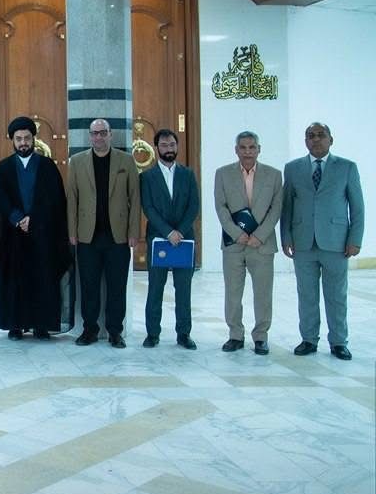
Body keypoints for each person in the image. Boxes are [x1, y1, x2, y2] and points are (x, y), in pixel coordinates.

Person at [281, 122, 364, 361]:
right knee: (306, 295)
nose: (316, 139)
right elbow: (287, 206)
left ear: (330, 139)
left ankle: (339, 342)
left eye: (321, 135)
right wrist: (286, 236)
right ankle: (309, 339)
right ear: (305, 141)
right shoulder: (293, 168)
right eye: (311, 136)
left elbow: (357, 208)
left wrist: (355, 239)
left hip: (336, 243)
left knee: (336, 295)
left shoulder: (347, 167)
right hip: (303, 242)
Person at [0, 116, 72, 340]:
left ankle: (41, 325)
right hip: (13, 235)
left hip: (43, 235)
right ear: (13, 141)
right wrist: (18, 219)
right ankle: (15, 325)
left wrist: (34, 219)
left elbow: (55, 200)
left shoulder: (47, 166)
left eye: (27, 138)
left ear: (34, 139)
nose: (23, 143)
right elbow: (1, 199)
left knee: (43, 279)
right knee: (14, 280)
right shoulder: (4, 168)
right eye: (19, 139)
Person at [65, 118, 140, 349]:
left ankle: (115, 331)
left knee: (117, 286)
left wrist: (134, 231)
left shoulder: (126, 161)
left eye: (103, 133)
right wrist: (72, 231)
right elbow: (72, 199)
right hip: (87, 236)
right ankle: (89, 330)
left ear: (110, 134)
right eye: (94, 133)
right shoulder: (77, 162)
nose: (98, 137)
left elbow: (135, 198)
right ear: (90, 136)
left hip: (118, 236)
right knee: (89, 286)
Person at [214, 130, 282, 355]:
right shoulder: (222, 174)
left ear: (259, 149)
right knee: (233, 293)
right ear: (236, 150)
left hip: (262, 245)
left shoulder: (274, 175)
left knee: (263, 294)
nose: (247, 152)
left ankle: (261, 337)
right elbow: (221, 207)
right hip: (233, 244)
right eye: (243, 148)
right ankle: (235, 335)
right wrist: (236, 234)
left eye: (252, 147)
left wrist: (259, 235)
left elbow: (276, 209)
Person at [139, 128, 200, 350]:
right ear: (156, 148)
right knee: (155, 288)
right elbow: (148, 208)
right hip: (159, 239)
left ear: (177, 146)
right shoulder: (146, 177)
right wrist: (168, 232)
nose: (169, 149)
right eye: (164, 145)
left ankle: (184, 334)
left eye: (172, 145)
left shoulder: (188, 174)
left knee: (183, 290)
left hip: (184, 240)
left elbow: (194, 206)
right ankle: (152, 333)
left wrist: (180, 232)